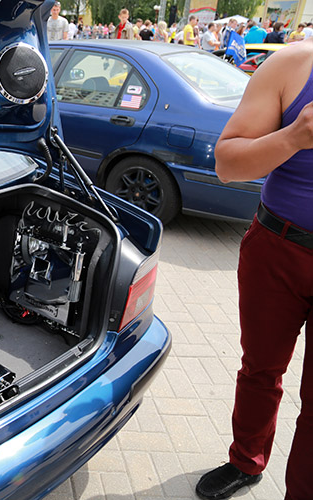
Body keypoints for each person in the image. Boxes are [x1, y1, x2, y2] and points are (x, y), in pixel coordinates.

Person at [194, 35, 313, 500]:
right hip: (278, 249)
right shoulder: (294, 64)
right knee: (260, 369)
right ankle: (246, 461)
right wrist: (295, 136)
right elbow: (227, 164)